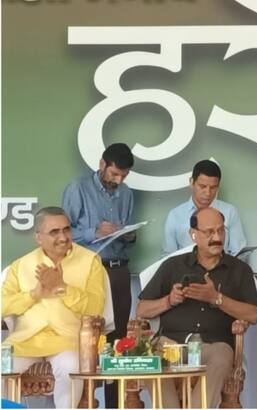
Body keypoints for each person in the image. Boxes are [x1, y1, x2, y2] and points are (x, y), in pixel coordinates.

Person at [137, 207, 257, 408]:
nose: (217, 237)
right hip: (171, 344)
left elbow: (253, 315)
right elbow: (142, 310)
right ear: (193, 234)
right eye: (209, 232)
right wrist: (169, 300)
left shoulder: (239, 270)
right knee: (153, 357)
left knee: (222, 356)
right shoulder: (173, 266)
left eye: (221, 230)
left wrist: (216, 298)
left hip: (215, 345)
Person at [1, 207, 105, 408]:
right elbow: (3, 305)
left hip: (68, 341)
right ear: (38, 237)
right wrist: (34, 294)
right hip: (25, 340)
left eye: (66, 230)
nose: (63, 237)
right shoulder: (21, 265)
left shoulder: (90, 261)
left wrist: (63, 288)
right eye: (54, 232)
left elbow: (96, 307)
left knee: (70, 368)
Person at [61, 142, 135, 408]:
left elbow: (127, 228)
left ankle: (115, 404)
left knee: (119, 342)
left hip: (118, 270)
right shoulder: (78, 188)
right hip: (88, 272)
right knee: (89, 339)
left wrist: (128, 234)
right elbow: (62, 233)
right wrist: (94, 232)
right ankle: (86, 401)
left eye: (123, 176)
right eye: (114, 174)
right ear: (102, 164)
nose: (118, 180)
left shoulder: (126, 193)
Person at [162, 159, 246, 257]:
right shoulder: (175, 215)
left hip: (223, 266)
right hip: (184, 267)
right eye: (202, 186)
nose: (208, 193)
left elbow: (239, 253)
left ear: (218, 186)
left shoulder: (230, 212)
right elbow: (168, 256)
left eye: (213, 187)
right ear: (191, 182)